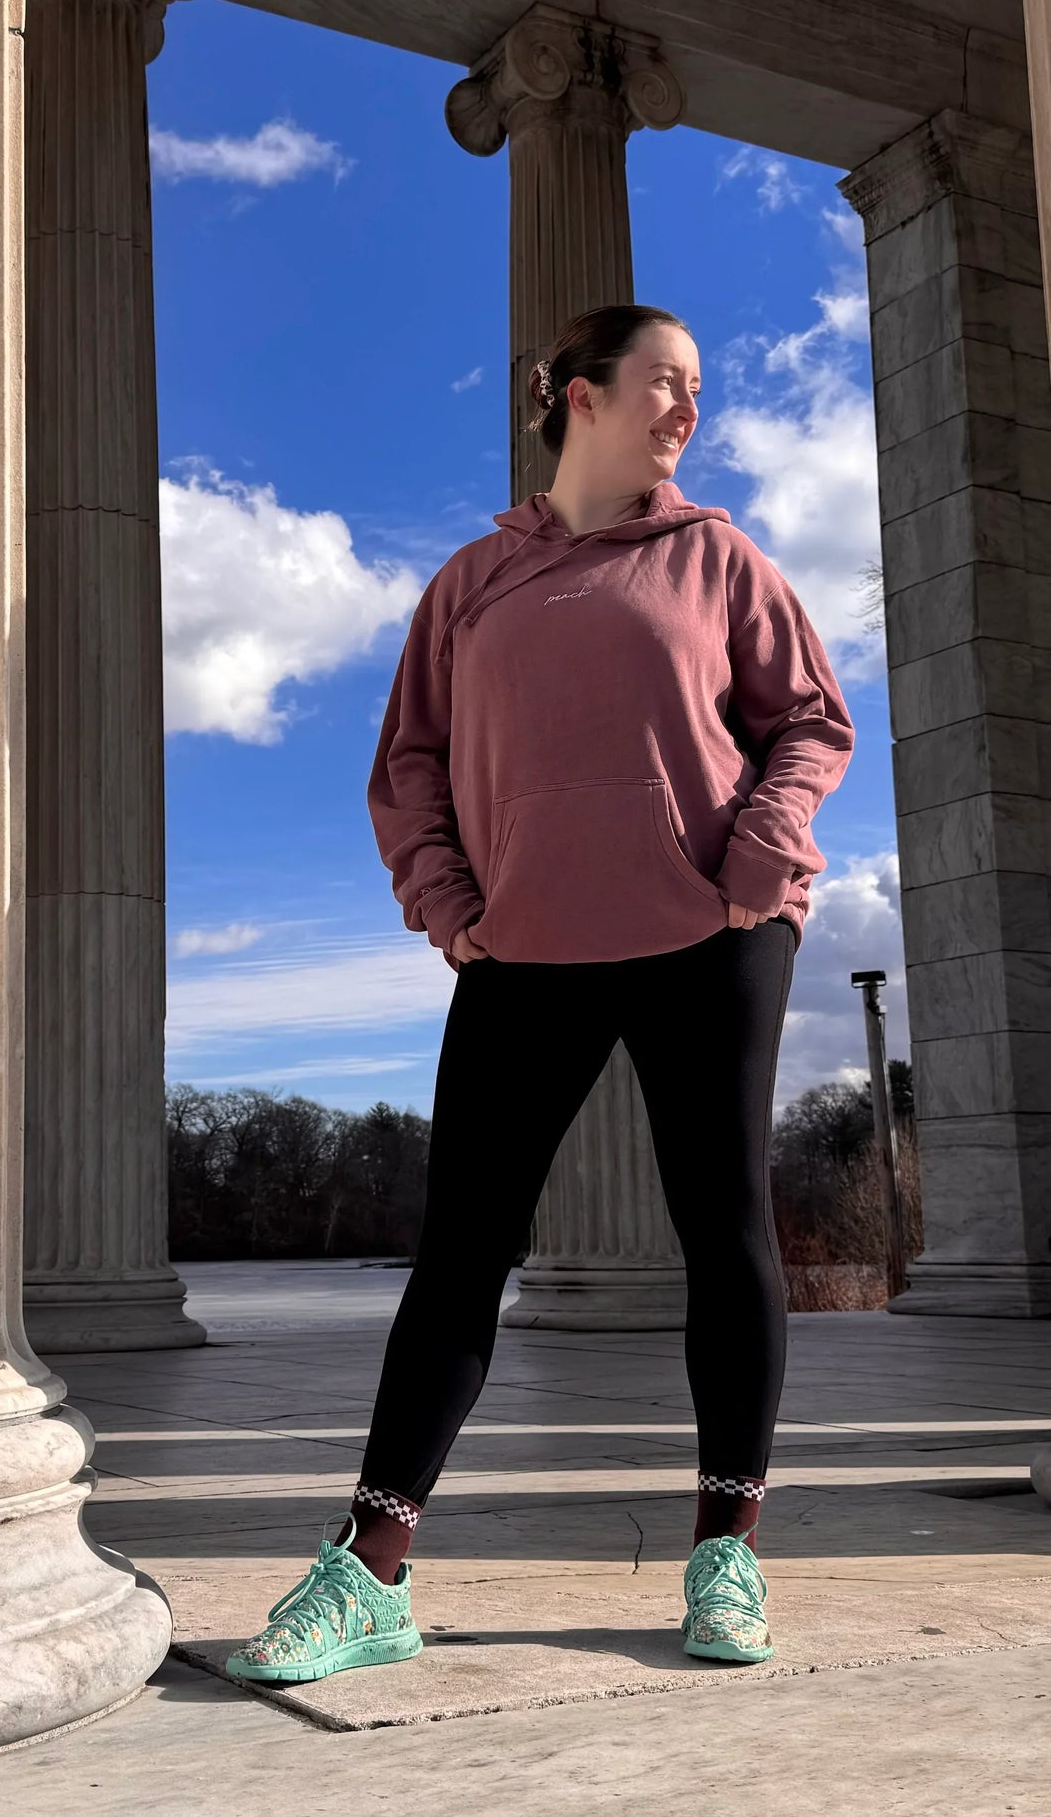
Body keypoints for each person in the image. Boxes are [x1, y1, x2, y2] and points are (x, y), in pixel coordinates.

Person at [225, 303, 855, 1686]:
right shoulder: (469, 583)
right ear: (577, 395)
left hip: (714, 928)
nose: (686, 407)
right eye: (662, 383)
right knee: (461, 1252)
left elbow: (809, 719)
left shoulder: (717, 558)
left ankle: (725, 1555)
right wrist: (449, 905)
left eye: (698, 388)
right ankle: (370, 1572)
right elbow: (407, 765)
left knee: (722, 1224)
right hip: (526, 946)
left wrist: (756, 852)